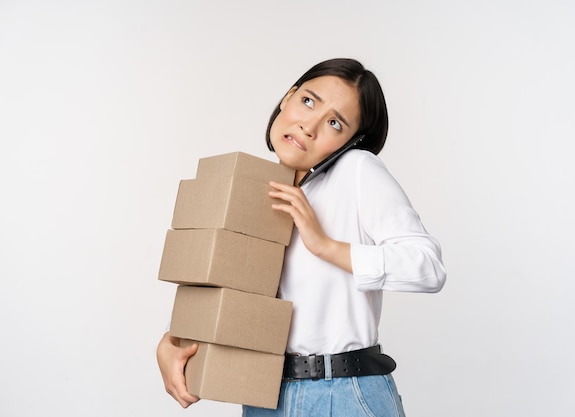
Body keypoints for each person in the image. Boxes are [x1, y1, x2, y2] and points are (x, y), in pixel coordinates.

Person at [157, 58, 447, 417]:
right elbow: (234, 286)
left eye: (335, 123)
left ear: (350, 140)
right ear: (288, 97)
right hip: (265, 393)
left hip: (340, 394)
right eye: (308, 101)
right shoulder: (262, 187)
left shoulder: (357, 171)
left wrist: (324, 245)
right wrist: (173, 337)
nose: (309, 126)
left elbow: (428, 267)